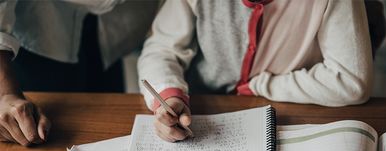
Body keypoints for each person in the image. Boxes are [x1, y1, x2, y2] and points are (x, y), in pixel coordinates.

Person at [138, 0, 374, 142]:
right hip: (201, 110)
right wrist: (169, 96)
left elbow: (351, 81)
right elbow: (161, 50)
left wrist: (262, 85)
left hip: (292, 115)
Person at [0, 0, 158, 146]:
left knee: (111, 134)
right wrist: (5, 94)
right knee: (28, 128)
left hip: (113, 30)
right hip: (40, 25)